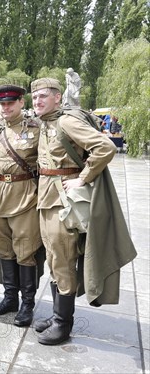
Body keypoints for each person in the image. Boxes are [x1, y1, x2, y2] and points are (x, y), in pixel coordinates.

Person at [31, 78, 135, 345]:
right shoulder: (46, 123)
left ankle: (63, 324)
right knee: (54, 259)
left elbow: (105, 147)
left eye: (43, 96)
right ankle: (57, 315)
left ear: (57, 98)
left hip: (63, 202)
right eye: (34, 98)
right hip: (46, 198)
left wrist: (83, 178)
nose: (38, 101)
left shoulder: (66, 121)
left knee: (63, 259)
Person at [0, 85, 41, 326]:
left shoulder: (36, 129)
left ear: (21, 102)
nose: (6, 107)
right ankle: (10, 298)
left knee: (25, 250)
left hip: (25, 195)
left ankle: (27, 303)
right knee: (4, 248)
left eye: (10, 103)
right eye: (2, 104)